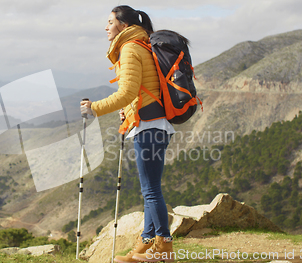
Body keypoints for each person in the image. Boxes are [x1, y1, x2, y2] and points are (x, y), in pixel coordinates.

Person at [80, 5, 176, 263]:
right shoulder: (141, 45)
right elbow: (141, 91)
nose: (106, 27)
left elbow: (127, 92)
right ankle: (146, 243)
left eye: (110, 22)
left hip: (149, 127)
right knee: (149, 189)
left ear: (123, 25)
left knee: (151, 190)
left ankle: (164, 249)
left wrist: (94, 108)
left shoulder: (131, 48)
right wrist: (128, 110)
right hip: (153, 123)